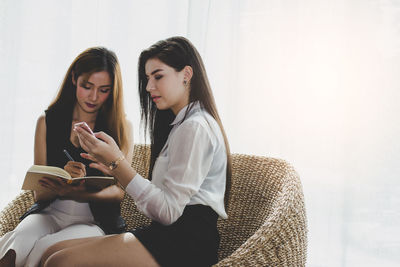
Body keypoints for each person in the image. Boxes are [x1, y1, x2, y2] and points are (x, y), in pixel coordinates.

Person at [40, 36, 232, 267]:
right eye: (147, 78)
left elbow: (168, 212)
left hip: (185, 245)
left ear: (186, 74)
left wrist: (117, 165)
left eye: (158, 76)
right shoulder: (183, 124)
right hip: (166, 236)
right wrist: (111, 164)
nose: (149, 87)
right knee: (52, 253)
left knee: (59, 261)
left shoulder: (194, 127)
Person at [0, 47, 133, 267]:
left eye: (104, 90)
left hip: (94, 221)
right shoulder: (47, 121)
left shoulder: (121, 127)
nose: (93, 97)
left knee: (45, 250)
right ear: (74, 79)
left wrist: (80, 193)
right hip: (49, 212)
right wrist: (62, 182)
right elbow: (39, 196)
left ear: (113, 91)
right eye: (87, 86)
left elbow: (119, 192)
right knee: (19, 242)